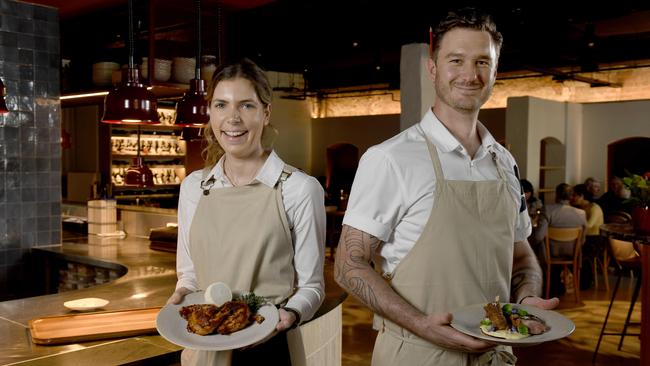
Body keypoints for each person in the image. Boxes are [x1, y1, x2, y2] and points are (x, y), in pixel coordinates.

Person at [334, 8, 557, 365]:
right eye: (457, 60)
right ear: (433, 68)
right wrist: (422, 324)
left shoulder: (505, 163)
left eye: (483, 62)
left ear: (495, 72)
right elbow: (348, 264)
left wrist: (526, 298)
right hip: (417, 355)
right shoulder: (390, 159)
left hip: (495, 355)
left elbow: (521, 255)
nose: (470, 74)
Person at [168, 59, 326, 365]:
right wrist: (182, 294)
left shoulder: (299, 189)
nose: (232, 118)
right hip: (202, 347)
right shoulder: (193, 188)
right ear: (210, 112)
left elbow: (312, 287)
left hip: (267, 348)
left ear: (266, 113)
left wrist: (289, 315)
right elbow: (189, 273)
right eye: (221, 105)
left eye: (246, 106)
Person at [533, 183, 587, 296]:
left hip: (550, 253)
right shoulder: (581, 214)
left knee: (533, 246)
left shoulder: (548, 210)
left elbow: (538, 237)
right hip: (572, 253)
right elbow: (582, 240)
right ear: (571, 196)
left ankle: (542, 287)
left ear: (556, 195)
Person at [571, 183, 605, 290]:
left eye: (574, 195)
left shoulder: (594, 208)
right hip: (582, 238)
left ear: (582, 196)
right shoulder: (578, 208)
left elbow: (588, 225)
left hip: (595, 239)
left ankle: (584, 282)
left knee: (580, 251)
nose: (572, 198)